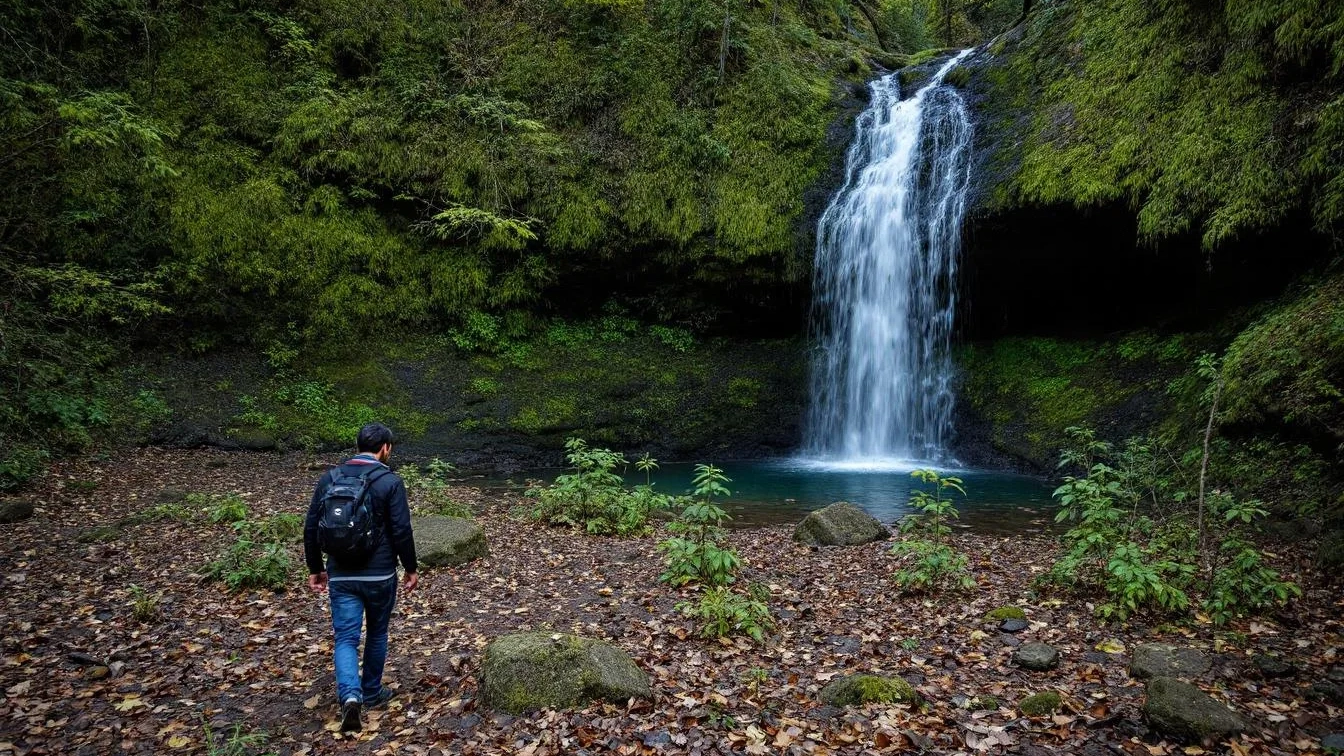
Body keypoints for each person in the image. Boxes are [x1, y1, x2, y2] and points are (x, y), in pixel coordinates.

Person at [304, 422, 418, 733]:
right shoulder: (389, 481)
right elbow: (401, 530)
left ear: (357, 446)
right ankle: (371, 691)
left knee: (346, 638)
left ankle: (350, 697)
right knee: (378, 633)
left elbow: (312, 527)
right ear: (386, 448)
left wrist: (315, 568)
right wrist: (410, 567)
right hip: (380, 573)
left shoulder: (331, 477)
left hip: (341, 573)